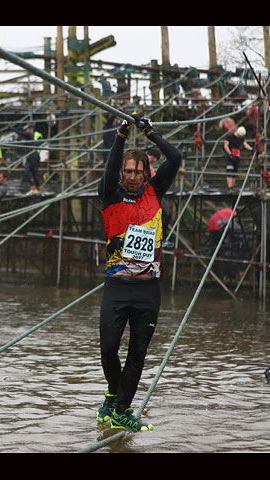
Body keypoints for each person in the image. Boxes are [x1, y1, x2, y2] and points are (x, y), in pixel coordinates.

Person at [96, 113, 181, 432]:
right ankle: (114, 393)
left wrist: (150, 133)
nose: (132, 176)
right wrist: (120, 135)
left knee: (138, 353)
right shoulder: (109, 194)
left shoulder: (155, 192)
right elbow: (108, 169)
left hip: (148, 290)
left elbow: (175, 157)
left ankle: (121, 409)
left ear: (147, 172)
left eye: (138, 171)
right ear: (122, 173)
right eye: (128, 171)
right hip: (117, 287)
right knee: (107, 348)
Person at [12, 124, 43, 195]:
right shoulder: (25, 138)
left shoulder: (29, 134)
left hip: (34, 156)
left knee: (33, 173)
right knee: (27, 171)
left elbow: (21, 133)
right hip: (29, 157)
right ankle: (33, 188)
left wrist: (13, 129)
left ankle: (37, 189)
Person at [224, 126, 253, 192]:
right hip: (230, 156)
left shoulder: (241, 138)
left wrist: (251, 149)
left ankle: (232, 187)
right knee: (229, 171)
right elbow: (225, 145)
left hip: (236, 156)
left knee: (234, 172)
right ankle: (230, 188)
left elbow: (245, 144)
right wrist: (230, 154)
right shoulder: (230, 137)